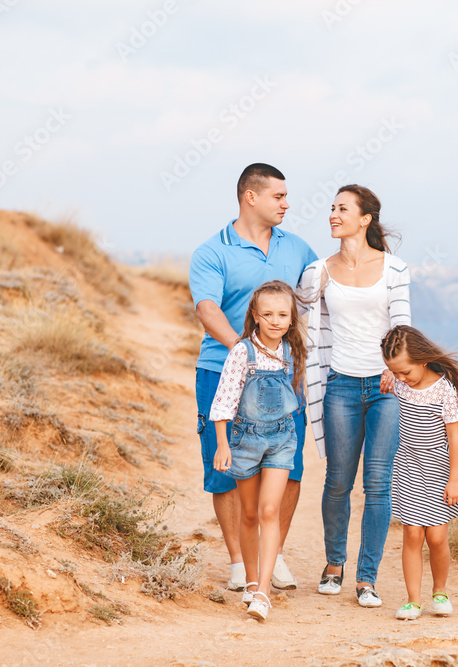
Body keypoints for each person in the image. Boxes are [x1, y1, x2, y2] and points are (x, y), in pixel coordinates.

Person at [190, 163, 317, 592]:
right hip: (221, 371)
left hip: (285, 379)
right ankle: (239, 562)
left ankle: (273, 555)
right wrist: (245, 356)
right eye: (278, 196)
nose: (287, 203)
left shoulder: (298, 249)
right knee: (225, 468)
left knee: (290, 467)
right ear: (251, 197)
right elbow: (207, 310)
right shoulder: (213, 251)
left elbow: (325, 295)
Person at [299, 184, 410, 608]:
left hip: (385, 389)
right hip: (340, 386)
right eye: (331, 208)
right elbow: (303, 329)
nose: (332, 214)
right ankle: (333, 565)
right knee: (338, 482)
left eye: (342, 209)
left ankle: (367, 579)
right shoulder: (318, 271)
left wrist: (391, 367)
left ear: (365, 219)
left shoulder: (395, 269)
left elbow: (403, 327)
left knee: (378, 485)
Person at [380, 325, 458, 620]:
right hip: (409, 467)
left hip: (439, 472)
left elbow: (454, 437)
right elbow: (394, 376)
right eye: (397, 373)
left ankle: (440, 591)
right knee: (412, 535)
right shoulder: (400, 381)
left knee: (437, 538)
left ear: (423, 359)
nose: (403, 379)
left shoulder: (444, 390)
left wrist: (454, 480)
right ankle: (413, 601)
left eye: (406, 372)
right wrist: (389, 374)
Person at [211, 281, 307, 620]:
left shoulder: (292, 353)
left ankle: (263, 592)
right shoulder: (242, 352)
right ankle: (251, 581)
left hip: (282, 440)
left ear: (292, 318)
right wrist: (222, 445)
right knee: (249, 514)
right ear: (255, 316)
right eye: (267, 314)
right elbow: (224, 399)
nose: (275, 321)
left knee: (270, 511)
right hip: (245, 442)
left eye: (282, 314)